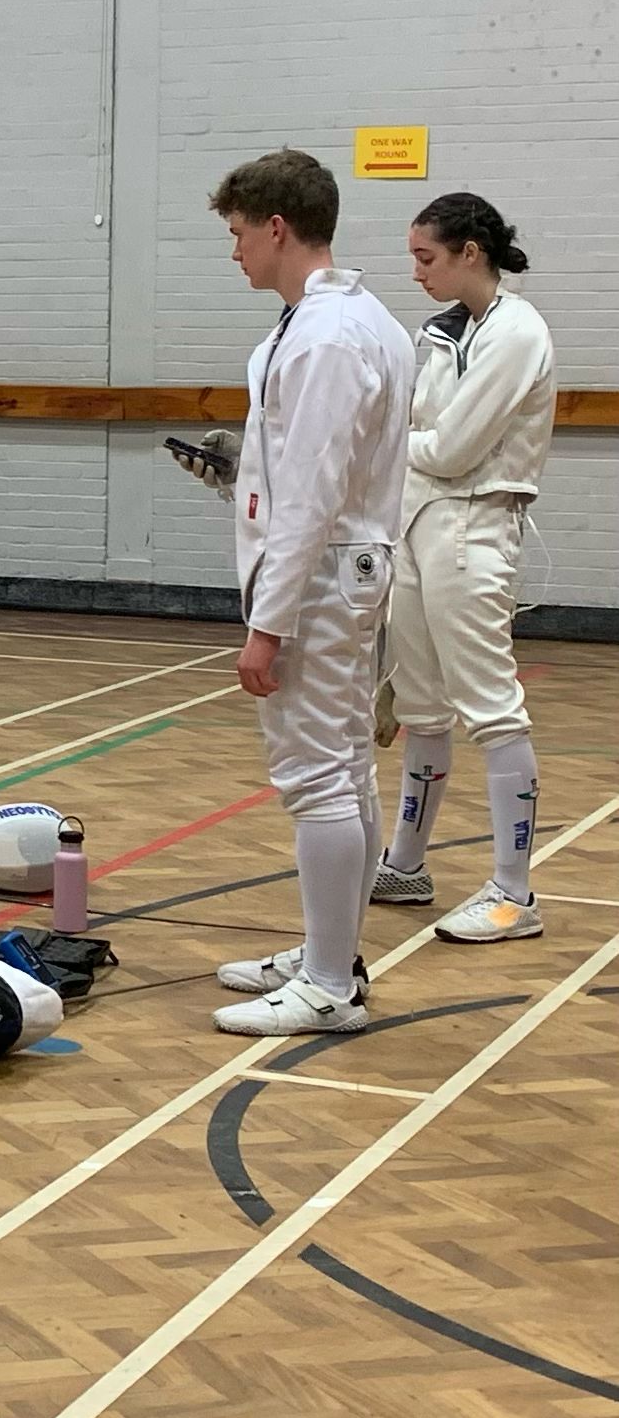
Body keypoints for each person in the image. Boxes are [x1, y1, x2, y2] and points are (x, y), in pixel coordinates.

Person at [174, 148, 415, 1037]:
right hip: (343, 567)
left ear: (278, 227)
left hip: (319, 579)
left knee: (318, 776)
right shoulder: (351, 321)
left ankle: (327, 983)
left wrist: (266, 628)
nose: (234, 251)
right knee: (345, 767)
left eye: (239, 234)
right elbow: (312, 468)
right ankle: (331, 951)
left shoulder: (325, 336)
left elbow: (314, 496)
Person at [371, 192, 554, 943]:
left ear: (469, 252)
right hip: (418, 517)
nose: (416, 273)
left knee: (489, 704)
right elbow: (421, 428)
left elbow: (449, 449)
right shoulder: (447, 328)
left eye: (427, 258)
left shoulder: (517, 332)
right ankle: (408, 863)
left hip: (475, 525)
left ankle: (515, 893)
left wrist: (385, 450)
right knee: (420, 702)